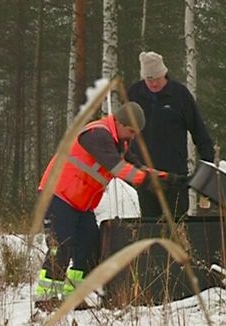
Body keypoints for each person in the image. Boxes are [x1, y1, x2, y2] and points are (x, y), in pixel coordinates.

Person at [34, 101, 188, 311]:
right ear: (119, 122)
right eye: (131, 131)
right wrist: (146, 182)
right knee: (60, 247)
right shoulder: (97, 135)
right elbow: (118, 168)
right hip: (57, 196)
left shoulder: (118, 143)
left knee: (89, 248)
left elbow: (137, 167)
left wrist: (168, 178)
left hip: (81, 204)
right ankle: (46, 299)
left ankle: (73, 296)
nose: (133, 137)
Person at [128, 51, 214, 218]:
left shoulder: (180, 95)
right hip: (143, 178)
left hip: (174, 179)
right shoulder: (134, 94)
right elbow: (122, 130)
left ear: (164, 74)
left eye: (157, 79)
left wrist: (205, 168)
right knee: (148, 230)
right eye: (149, 79)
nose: (153, 83)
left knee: (176, 227)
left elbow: (200, 133)